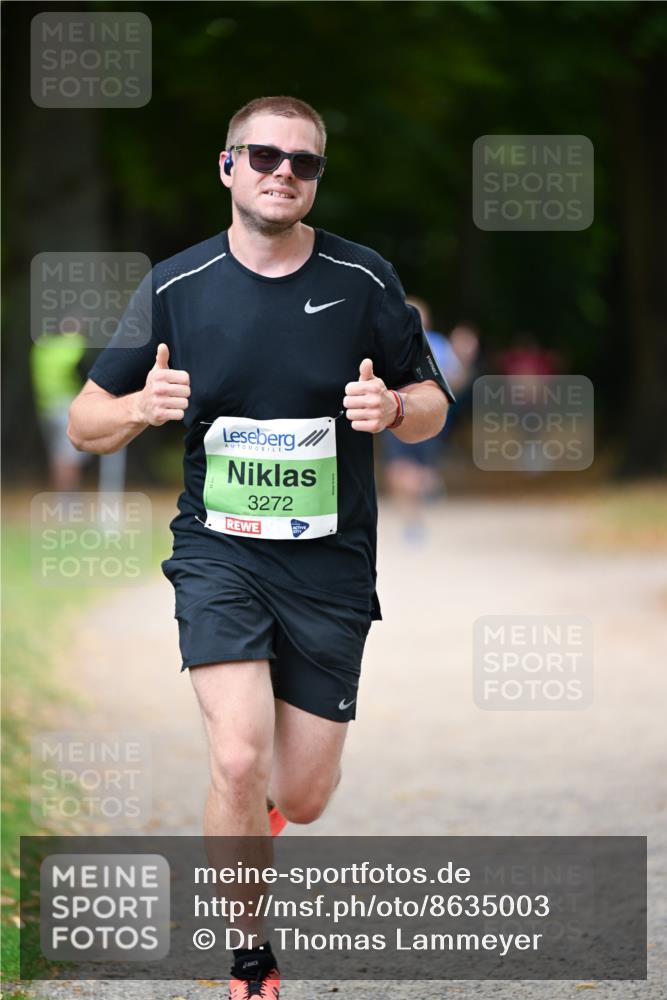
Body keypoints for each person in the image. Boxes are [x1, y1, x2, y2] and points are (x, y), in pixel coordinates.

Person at [67, 95, 455, 997]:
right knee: (236, 755)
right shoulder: (175, 284)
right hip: (219, 553)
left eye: (304, 163)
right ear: (227, 166)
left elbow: (430, 398)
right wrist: (136, 409)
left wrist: (395, 410)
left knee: (305, 795)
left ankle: (254, 818)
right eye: (265, 155)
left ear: (316, 178)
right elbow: (88, 420)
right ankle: (250, 951)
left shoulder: (364, 280)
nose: (284, 172)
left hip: (329, 563)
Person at [381, 297, 465, 540]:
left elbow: (456, 382)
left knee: (418, 474)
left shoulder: (438, 344)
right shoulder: (389, 343)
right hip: (395, 416)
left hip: (427, 421)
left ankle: (425, 490)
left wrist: (461, 357)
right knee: (398, 471)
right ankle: (412, 520)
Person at [31, 328, 89, 491]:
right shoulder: (75, 346)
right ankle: (69, 498)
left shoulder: (42, 348)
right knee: (70, 456)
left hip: (46, 407)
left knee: (57, 456)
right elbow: (85, 373)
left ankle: (61, 496)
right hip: (67, 406)